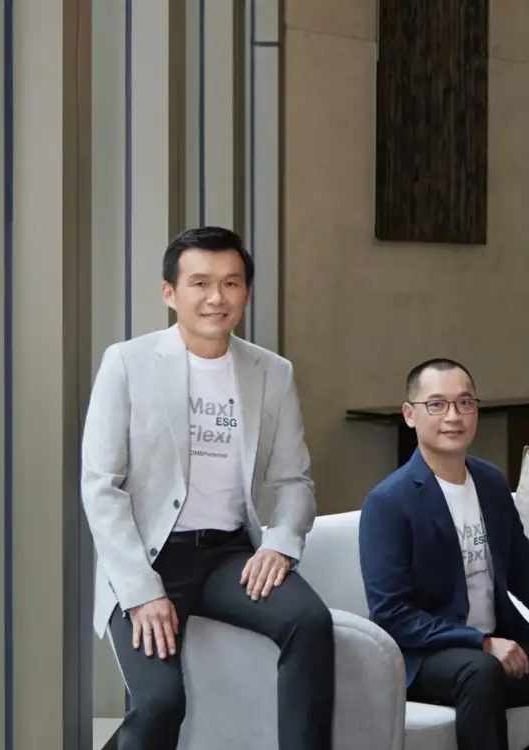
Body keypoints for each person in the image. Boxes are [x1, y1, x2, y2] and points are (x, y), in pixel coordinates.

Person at [81, 226, 334, 750]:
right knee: (159, 704)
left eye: (231, 283)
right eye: (199, 283)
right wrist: (141, 591)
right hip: (150, 558)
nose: (216, 297)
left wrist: (280, 543)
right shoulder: (126, 364)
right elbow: (102, 487)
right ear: (169, 292)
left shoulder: (272, 372)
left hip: (230, 557)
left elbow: (293, 481)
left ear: (246, 292)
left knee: (309, 622)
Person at [359, 358, 529, 750]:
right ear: (410, 415)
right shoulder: (388, 502)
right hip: (427, 658)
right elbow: (392, 614)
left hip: (499, 642)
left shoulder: (490, 481)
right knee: (481, 671)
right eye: (437, 404)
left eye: (465, 402)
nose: (453, 416)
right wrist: (479, 642)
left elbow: (523, 568)